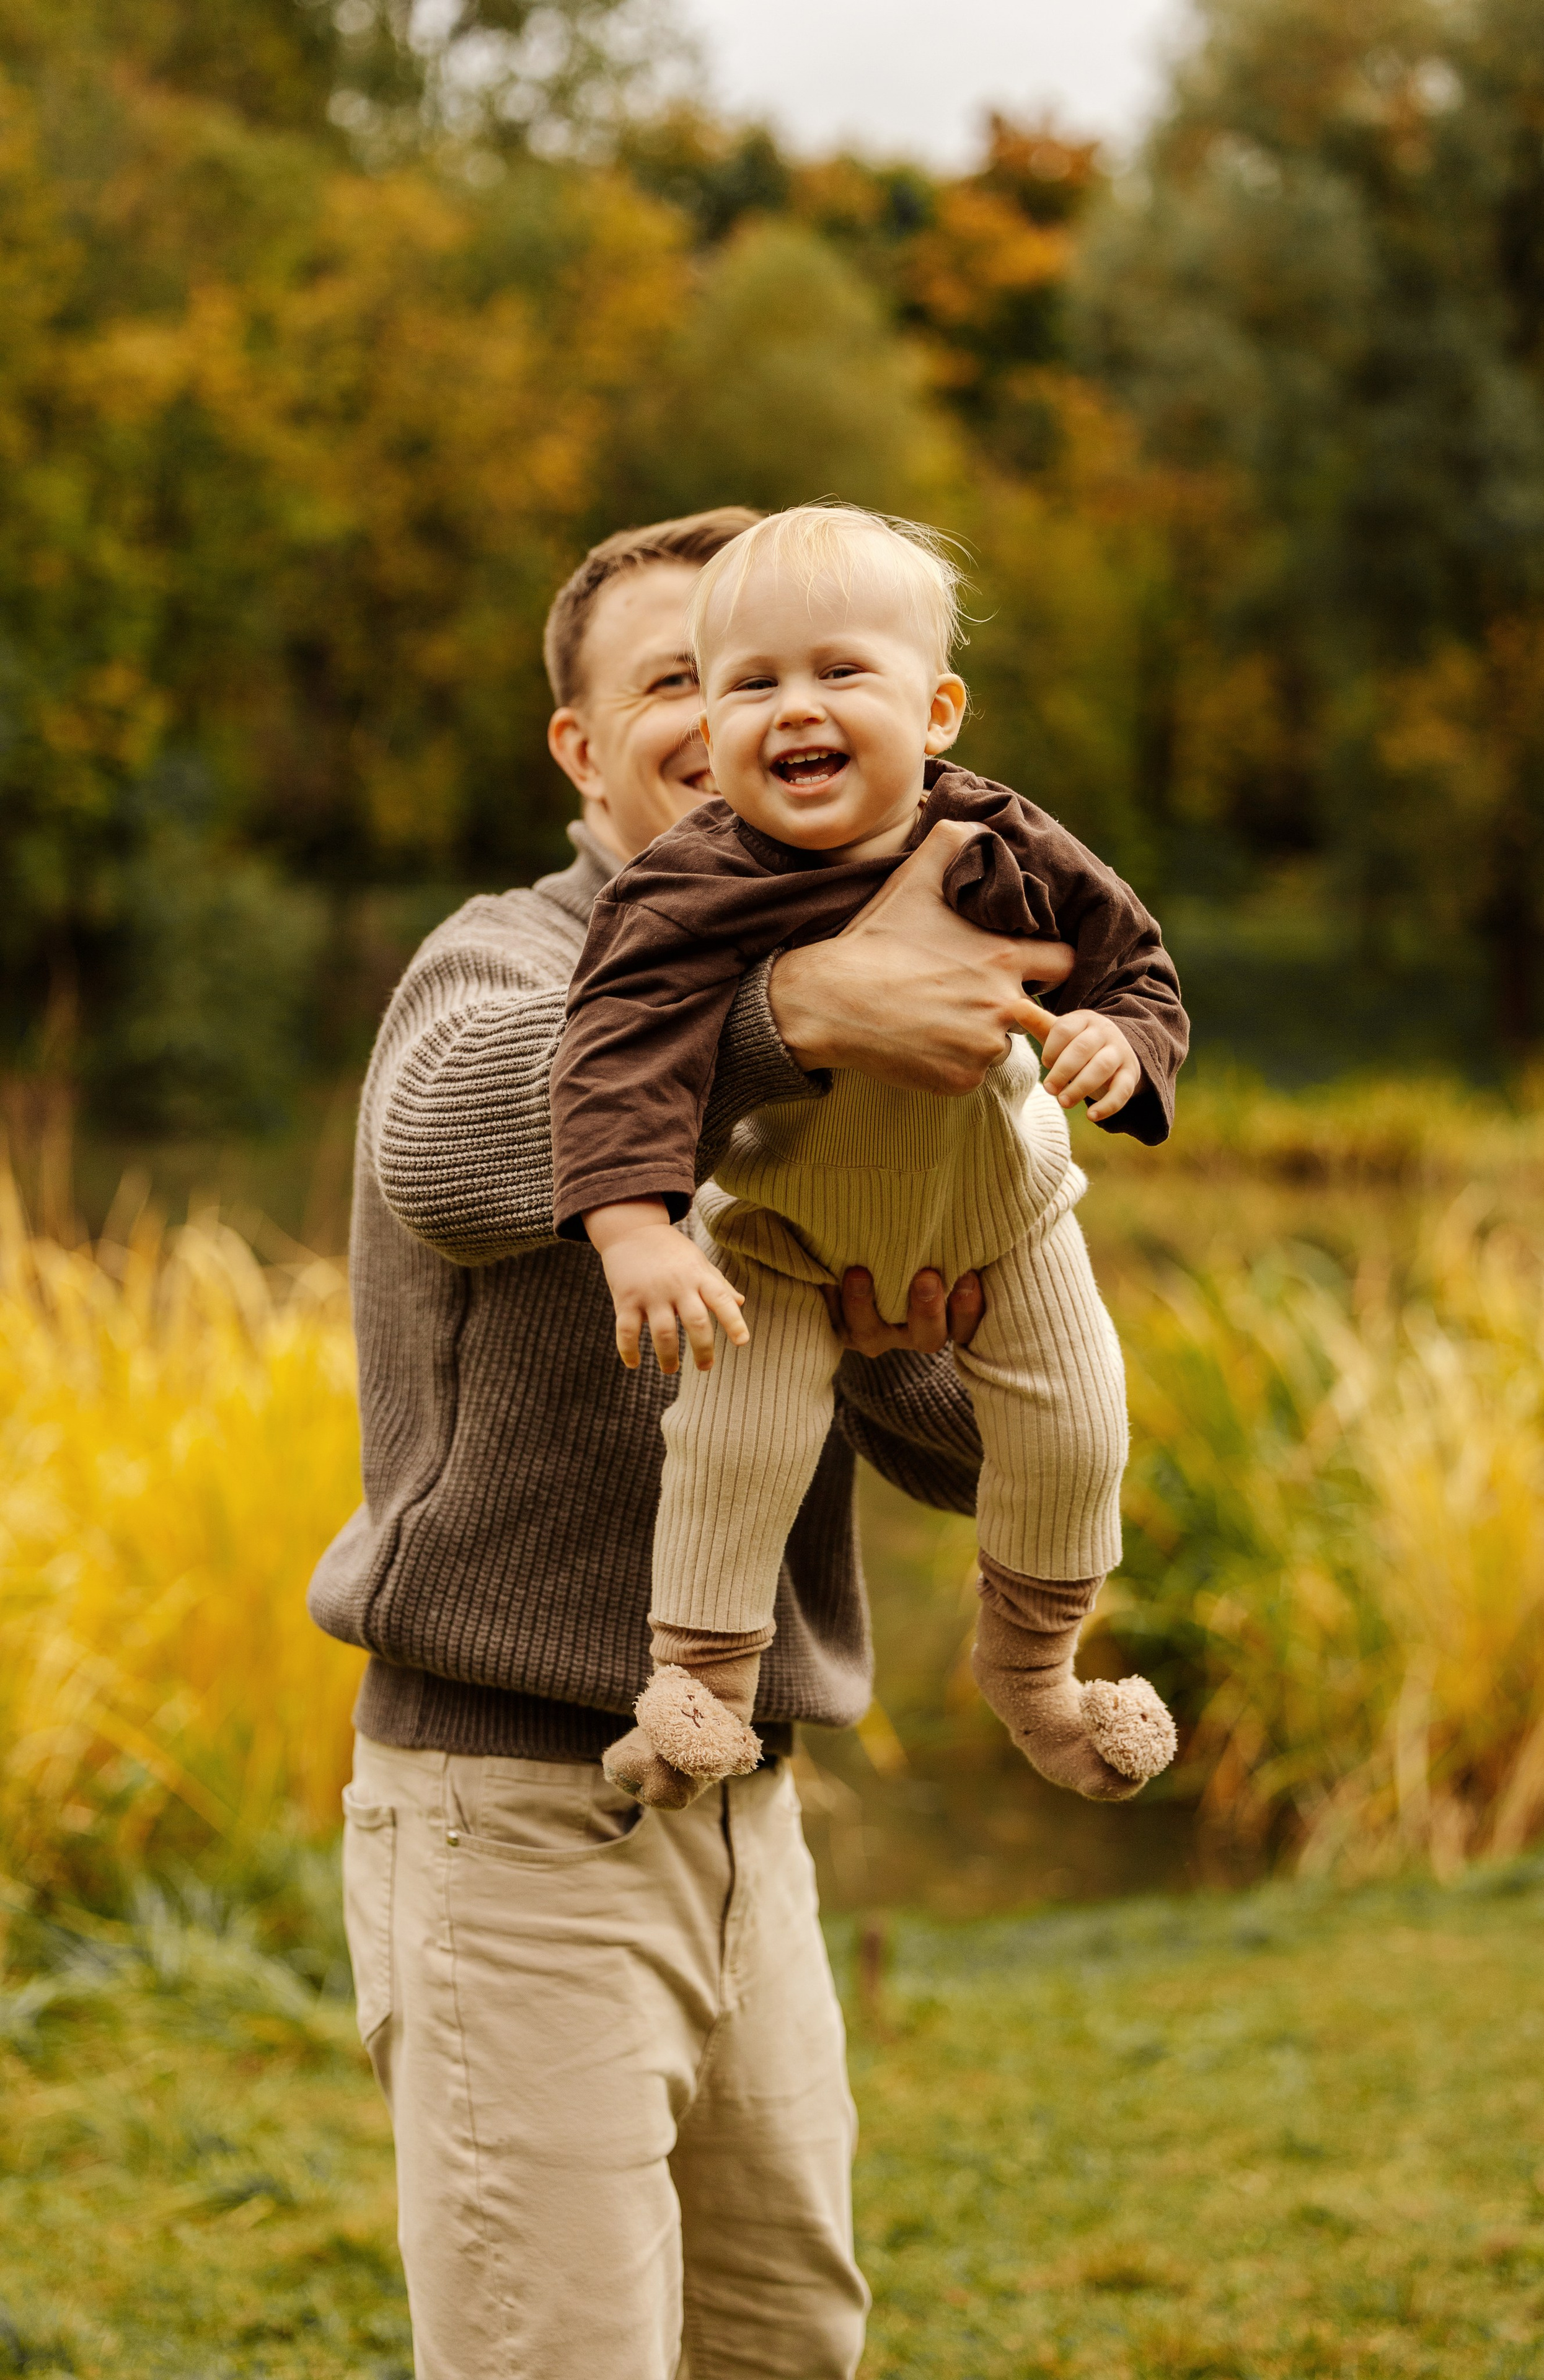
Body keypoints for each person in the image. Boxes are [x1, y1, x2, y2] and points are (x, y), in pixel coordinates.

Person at [309, 504, 1085, 2380]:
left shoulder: (888, 975)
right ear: (590, 745)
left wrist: (953, 1322)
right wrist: (787, 1012)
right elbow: (457, 1149)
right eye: (686, 680)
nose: (741, 716)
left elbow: (946, 1435)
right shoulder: (506, 956)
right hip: (513, 1817)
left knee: (783, 2342)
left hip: (748, 1803)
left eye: (801, 671)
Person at [550, 506, 1186, 1813]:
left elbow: (1133, 965)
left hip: (1001, 1221)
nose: (794, 709)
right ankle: (699, 1695)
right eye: (739, 684)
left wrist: (1122, 1043)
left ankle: (1034, 1674)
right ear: (583, 746)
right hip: (782, 1238)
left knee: (1077, 1424)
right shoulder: (675, 888)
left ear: (938, 709)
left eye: (838, 672)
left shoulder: (1002, 839)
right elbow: (608, 1053)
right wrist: (633, 1229)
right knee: (732, 1434)